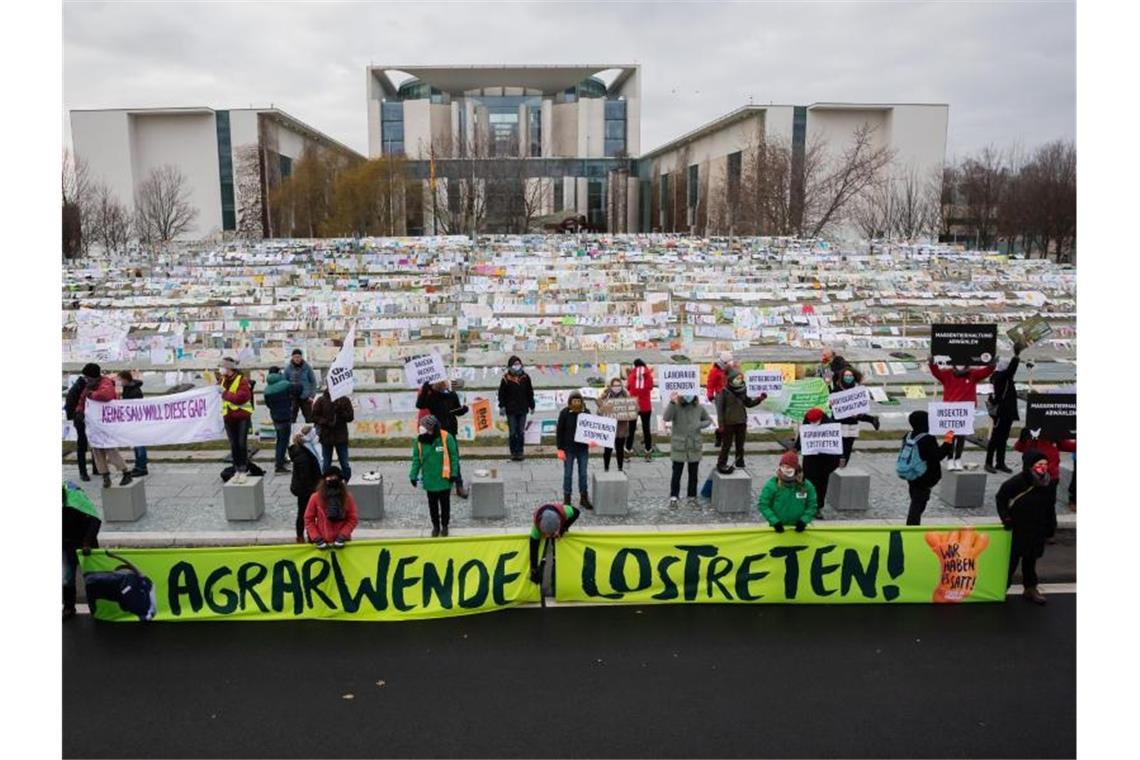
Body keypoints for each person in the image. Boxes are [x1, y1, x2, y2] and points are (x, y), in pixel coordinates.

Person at [996, 450, 1057, 605]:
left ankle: (1030, 588)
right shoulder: (1017, 482)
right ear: (1030, 466)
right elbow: (1001, 498)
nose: (1043, 467)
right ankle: (1001, 588)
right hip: (1018, 528)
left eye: (1045, 464)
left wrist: (1051, 526)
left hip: (1037, 528)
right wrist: (1006, 518)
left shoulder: (1049, 484)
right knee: (1011, 562)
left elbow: (1050, 506)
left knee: (1031, 561)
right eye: (1039, 464)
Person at [928, 354, 996, 470]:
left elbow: (986, 371)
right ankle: (950, 459)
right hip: (950, 411)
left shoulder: (973, 374)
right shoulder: (947, 374)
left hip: (965, 412)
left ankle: (958, 458)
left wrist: (992, 364)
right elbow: (936, 373)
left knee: (961, 436)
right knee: (950, 436)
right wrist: (932, 363)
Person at [898, 411, 955, 525]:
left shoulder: (908, 435)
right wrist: (948, 441)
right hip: (924, 476)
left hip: (912, 474)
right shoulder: (927, 439)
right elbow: (937, 456)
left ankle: (913, 524)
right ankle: (912, 529)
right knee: (918, 504)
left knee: (916, 500)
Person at [82, 364, 133, 488]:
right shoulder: (88, 386)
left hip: (105, 423)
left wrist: (92, 395)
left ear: (93, 376)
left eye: (87, 377)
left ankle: (125, 472)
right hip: (94, 424)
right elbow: (82, 399)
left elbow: (106, 396)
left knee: (110, 449)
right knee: (97, 451)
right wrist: (79, 411)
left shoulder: (106, 382)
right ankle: (105, 476)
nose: (86, 379)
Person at [416, 380, 470, 498]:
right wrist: (425, 389)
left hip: (450, 431)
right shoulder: (432, 396)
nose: (443, 383)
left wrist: (464, 409)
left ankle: (459, 485)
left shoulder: (452, 395)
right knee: (437, 457)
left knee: (453, 457)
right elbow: (420, 405)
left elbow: (457, 411)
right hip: (437, 431)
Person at [409, 415, 460, 537]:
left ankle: (445, 525)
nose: (423, 430)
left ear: (432, 428)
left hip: (444, 479)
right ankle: (435, 526)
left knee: (445, 504)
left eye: (426, 427)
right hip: (429, 479)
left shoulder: (446, 437)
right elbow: (416, 459)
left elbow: (454, 456)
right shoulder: (419, 440)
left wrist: (454, 473)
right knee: (432, 506)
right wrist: (413, 475)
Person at [663, 392, 713, 507]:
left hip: (694, 445)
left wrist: (699, 424)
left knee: (693, 474)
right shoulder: (675, 406)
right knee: (676, 473)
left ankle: (692, 496)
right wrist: (671, 402)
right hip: (679, 445)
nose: (688, 396)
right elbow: (666, 417)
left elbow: (708, 420)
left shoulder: (699, 408)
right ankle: (674, 496)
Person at [63, 482, 101, 620]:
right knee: (67, 578)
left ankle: (97, 607)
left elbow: (95, 520)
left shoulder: (77, 502)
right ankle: (69, 607)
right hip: (66, 545)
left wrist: (86, 543)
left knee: (92, 578)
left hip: (85, 544)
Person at [829, 362, 880, 466]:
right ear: (842, 377)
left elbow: (861, 405)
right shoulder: (837, 389)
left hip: (852, 424)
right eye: (846, 375)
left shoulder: (857, 389)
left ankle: (844, 465)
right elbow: (832, 406)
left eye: (850, 375)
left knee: (847, 447)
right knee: (838, 447)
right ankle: (836, 466)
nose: (848, 377)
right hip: (839, 423)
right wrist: (831, 404)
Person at [714, 369, 765, 474]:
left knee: (740, 445)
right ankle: (721, 463)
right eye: (737, 378)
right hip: (729, 423)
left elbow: (749, 403)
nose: (739, 380)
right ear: (731, 379)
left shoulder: (742, 390)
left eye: (740, 378)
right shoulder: (724, 391)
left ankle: (739, 462)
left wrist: (759, 399)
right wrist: (721, 424)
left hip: (741, 422)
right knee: (726, 445)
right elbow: (720, 410)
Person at [985, 342, 1025, 474]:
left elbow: (1010, 372)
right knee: (996, 438)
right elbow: (1010, 370)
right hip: (1000, 412)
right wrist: (1016, 355)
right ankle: (988, 462)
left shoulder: (1005, 377)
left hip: (1007, 412)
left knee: (1003, 438)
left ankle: (1000, 462)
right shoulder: (999, 377)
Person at [795, 407, 841, 518]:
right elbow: (803, 435)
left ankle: (818, 507)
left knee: (821, 485)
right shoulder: (808, 419)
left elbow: (836, 443)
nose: (812, 424)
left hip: (826, 460)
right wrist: (796, 448)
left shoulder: (830, 424)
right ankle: (803, 505)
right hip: (811, 459)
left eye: (814, 422)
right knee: (807, 482)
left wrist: (838, 459)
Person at [756, 452, 817, 532]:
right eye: (783, 466)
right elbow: (763, 505)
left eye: (789, 467)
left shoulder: (806, 485)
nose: (786, 469)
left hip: (799, 528)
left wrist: (804, 520)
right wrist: (775, 522)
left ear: (796, 468)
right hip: (778, 528)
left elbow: (812, 505)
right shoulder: (772, 485)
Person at [303, 466, 358, 549]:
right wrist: (316, 537)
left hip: (343, 543)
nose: (332, 479)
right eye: (329, 477)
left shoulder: (347, 497)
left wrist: (343, 535)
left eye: (334, 477)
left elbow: (353, 518)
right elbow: (308, 519)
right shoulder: (315, 497)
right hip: (322, 542)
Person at [556, 390, 592, 510]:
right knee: (568, 474)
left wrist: (592, 440)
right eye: (574, 400)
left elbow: (592, 428)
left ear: (582, 401)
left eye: (578, 400)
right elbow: (559, 432)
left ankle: (584, 497)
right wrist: (560, 449)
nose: (576, 403)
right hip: (568, 449)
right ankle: (567, 498)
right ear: (570, 402)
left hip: (582, 449)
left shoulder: (586, 413)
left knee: (583, 474)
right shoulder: (564, 413)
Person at [528, 502, 581, 583]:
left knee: (555, 543)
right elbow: (533, 550)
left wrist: (563, 529)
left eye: (553, 533)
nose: (549, 536)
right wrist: (534, 570)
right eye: (547, 534)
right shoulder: (536, 529)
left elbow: (577, 512)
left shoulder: (565, 512)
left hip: (558, 515)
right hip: (546, 520)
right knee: (544, 546)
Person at [218, 357, 253, 477]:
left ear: (229, 368)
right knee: (233, 444)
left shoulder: (241, 380)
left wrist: (225, 394)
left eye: (222, 367)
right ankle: (236, 466)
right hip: (228, 417)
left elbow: (241, 398)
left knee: (241, 443)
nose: (220, 369)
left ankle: (244, 467)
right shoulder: (222, 380)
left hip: (241, 417)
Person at [312, 384, 355, 482]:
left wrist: (341, 411)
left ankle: (348, 481)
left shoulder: (344, 400)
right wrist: (326, 421)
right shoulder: (321, 400)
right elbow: (314, 416)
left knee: (344, 463)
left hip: (341, 436)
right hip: (326, 436)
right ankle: (325, 483)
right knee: (326, 463)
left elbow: (350, 417)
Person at [288, 427, 323, 543]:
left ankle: (304, 535)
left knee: (305, 513)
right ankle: (306, 536)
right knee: (306, 513)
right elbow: (305, 476)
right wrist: (314, 491)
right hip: (306, 490)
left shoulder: (306, 450)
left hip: (306, 487)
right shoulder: (304, 455)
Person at [497, 355, 535, 462]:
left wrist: (532, 405)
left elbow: (530, 392)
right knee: (513, 432)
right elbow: (501, 394)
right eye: (514, 364)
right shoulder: (505, 378)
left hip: (523, 409)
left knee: (521, 432)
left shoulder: (526, 377)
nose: (516, 366)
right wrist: (502, 406)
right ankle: (513, 452)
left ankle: (520, 452)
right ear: (510, 366)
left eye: (518, 364)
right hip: (511, 410)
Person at [597, 377, 633, 473]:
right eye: (614, 385)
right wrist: (601, 401)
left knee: (620, 449)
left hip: (621, 428)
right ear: (611, 386)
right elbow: (599, 412)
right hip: (609, 428)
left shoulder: (625, 395)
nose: (616, 387)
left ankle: (620, 468)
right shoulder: (606, 395)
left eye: (618, 385)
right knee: (607, 450)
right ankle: (606, 468)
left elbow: (631, 410)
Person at [117, 371, 149, 477]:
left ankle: (142, 467)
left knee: (139, 445)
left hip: (137, 422)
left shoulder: (134, 391)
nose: (119, 382)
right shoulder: (129, 388)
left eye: (120, 379)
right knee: (136, 444)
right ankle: (138, 466)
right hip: (133, 422)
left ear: (126, 379)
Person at [262, 367, 293, 473]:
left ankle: (281, 459)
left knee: (280, 439)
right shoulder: (285, 385)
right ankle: (279, 465)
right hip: (285, 416)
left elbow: (268, 404)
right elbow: (298, 389)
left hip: (275, 416)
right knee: (283, 441)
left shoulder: (267, 389)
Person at [65, 369, 93, 481]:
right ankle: (83, 472)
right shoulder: (78, 388)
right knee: (82, 445)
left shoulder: (83, 385)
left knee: (93, 443)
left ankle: (95, 469)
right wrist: (75, 418)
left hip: (88, 419)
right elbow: (70, 404)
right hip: (80, 419)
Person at [624, 359, 655, 455]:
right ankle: (648, 451)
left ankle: (628, 450)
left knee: (631, 429)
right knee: (646, 429)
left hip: (634, 404)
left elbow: (627, 387)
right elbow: (650, 387)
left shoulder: (631, 375)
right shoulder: (648, 375)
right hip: (646, 406)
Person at [706, 352, 733, 447]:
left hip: (731, 396)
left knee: (730, 419)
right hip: (720, 396)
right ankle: (719, 436)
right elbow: (710, 384)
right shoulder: (715, 371)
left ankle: (728, 438)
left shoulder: (731, 370)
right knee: (721, 419)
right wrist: (710, 395)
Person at [284, 349, 317, 423]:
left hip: (306, 396)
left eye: (299, 357)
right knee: (291, 418)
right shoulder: (288, 369)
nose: (297, 359)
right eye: (295, 357)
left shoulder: (307, 368)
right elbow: (284, 383)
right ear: (292, 357)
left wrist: (312, 396)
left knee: (310, 418)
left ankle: (310, 433)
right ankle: (292, 433)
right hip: (293, 397)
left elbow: (313, 382)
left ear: (301, 357)